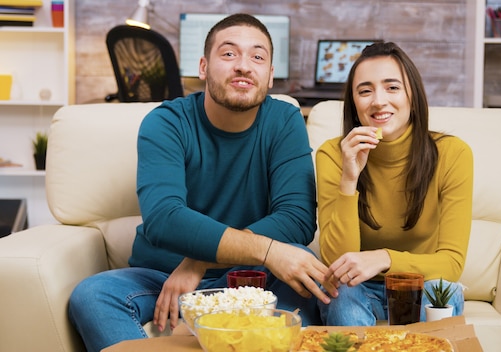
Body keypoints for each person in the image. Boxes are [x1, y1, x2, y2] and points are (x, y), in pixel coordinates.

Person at [68, 13, 335, 352]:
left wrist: (200, 260)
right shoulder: (166, 122)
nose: (243, 65)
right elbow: (164, 219)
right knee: (91, 295)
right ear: (204, 67)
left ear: (269, 76)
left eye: (257, 56)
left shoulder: (284, 120)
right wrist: (265, 249)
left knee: (297, 261)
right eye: (228, 54)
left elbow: (296, 218)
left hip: (250, 277)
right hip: (164, 276)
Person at [315, 41, 473, 326]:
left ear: (412, 94)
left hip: (421, 284)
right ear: (354, 104)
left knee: (443, 292)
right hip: (358, 288)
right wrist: (349, 178)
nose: (378, 101)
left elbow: (451, 263)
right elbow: (336, 263)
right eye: (365, 91)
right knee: (343, 295)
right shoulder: (333, 154)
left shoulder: (453, 153)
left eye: (392, 87)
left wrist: (385, 258)